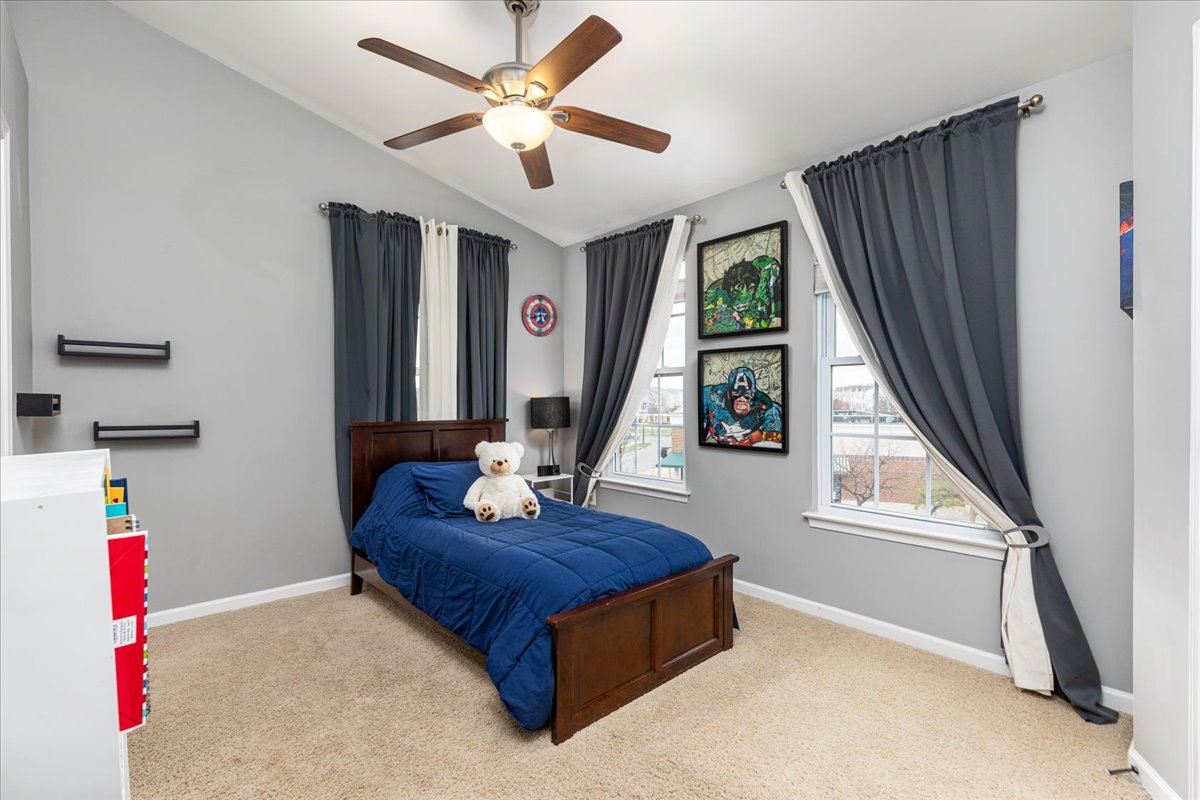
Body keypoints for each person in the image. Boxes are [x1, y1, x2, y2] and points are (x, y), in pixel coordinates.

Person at [701, 366, 783, 447]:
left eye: (747, 394)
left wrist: (754, 439)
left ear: (753, 392)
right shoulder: (711, 397)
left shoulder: (768, 407)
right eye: (736, 393)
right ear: (728, 393)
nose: (741, 399)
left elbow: (775, 438)